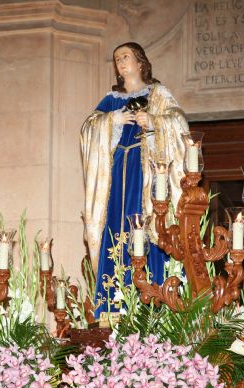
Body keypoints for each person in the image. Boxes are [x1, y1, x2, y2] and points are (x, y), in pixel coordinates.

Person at [80, 42, 189, 318]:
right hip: (118, 174)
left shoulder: (158, 94)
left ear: (140, 63)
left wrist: (153, 122)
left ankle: (154, 306)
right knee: (115, 227)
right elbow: (87, 129)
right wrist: (112, 121)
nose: (121, 61)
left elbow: (179, 123)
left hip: (147, 176)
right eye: (117, 58)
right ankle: (112, 310)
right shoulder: (110, 101)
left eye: (126, 56)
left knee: (149, 225)